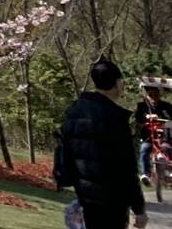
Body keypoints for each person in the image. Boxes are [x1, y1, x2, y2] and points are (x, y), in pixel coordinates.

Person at [54, 58, 149, 229]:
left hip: (84, 195)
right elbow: (126, 167)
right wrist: (139, 209)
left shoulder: (74, 111)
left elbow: (66, 151)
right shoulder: (115, 118)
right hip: (112, 200)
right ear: (118, 83)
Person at [132, 83, 172, 185]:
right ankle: (145, 174)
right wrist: (147, 117)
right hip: (148, 137)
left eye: (156, 95)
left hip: (164, 136)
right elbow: (138, 118)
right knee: (144, 149)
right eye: (151, 95)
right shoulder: (141, 106)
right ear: (146, 96)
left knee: (166, 147)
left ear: (159, 95)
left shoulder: (166, 106)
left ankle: (169, 171)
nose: (154, 97)